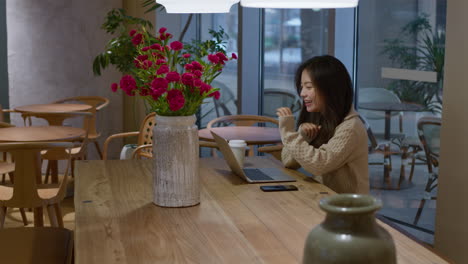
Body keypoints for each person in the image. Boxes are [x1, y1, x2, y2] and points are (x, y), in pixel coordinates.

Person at [276, 55, 369, 194]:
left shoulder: (351, 127)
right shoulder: (320, 117)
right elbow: (288, 161)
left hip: (349, 210)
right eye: (302, 87)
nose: (302, 93)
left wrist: (288, 134)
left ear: (330, 88)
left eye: (308, 87)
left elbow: (319, 164)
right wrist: (302, 136)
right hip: (323, 200)